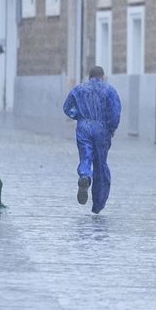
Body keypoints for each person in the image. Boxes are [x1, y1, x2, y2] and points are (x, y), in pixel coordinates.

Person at [63, 66, 122, 214]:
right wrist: (111, 128)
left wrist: (79, 116)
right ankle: (98, 204)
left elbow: (67, 107)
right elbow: (115, 112)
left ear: (89, 76)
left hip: (84, 127)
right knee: (100, 164)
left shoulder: (79, 89)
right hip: (101, 128)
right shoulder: (109, 90)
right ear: (102, 76)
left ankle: (85, 176)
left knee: (86, 156)